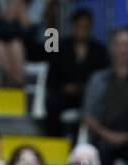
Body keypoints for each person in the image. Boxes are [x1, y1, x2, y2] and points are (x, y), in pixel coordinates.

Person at [82, 28, 128, 165]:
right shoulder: (98, 79)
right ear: (112, 49)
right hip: (101, 138)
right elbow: (88, 116)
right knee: (100, 154)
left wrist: (127, 136)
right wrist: (109, 135)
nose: (123, 49)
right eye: (119, 45)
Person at [43, 7, 107, 138]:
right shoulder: (60, 47)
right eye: (80, 26)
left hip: (90, 96)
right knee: (52, 102)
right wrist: (64, 88)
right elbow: (52, 77)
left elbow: (104, 77)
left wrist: (86, 89)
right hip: (64, 95)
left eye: (86, 26)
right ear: (73, 26)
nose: (83, 30)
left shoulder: (99, 50)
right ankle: (55, 139)